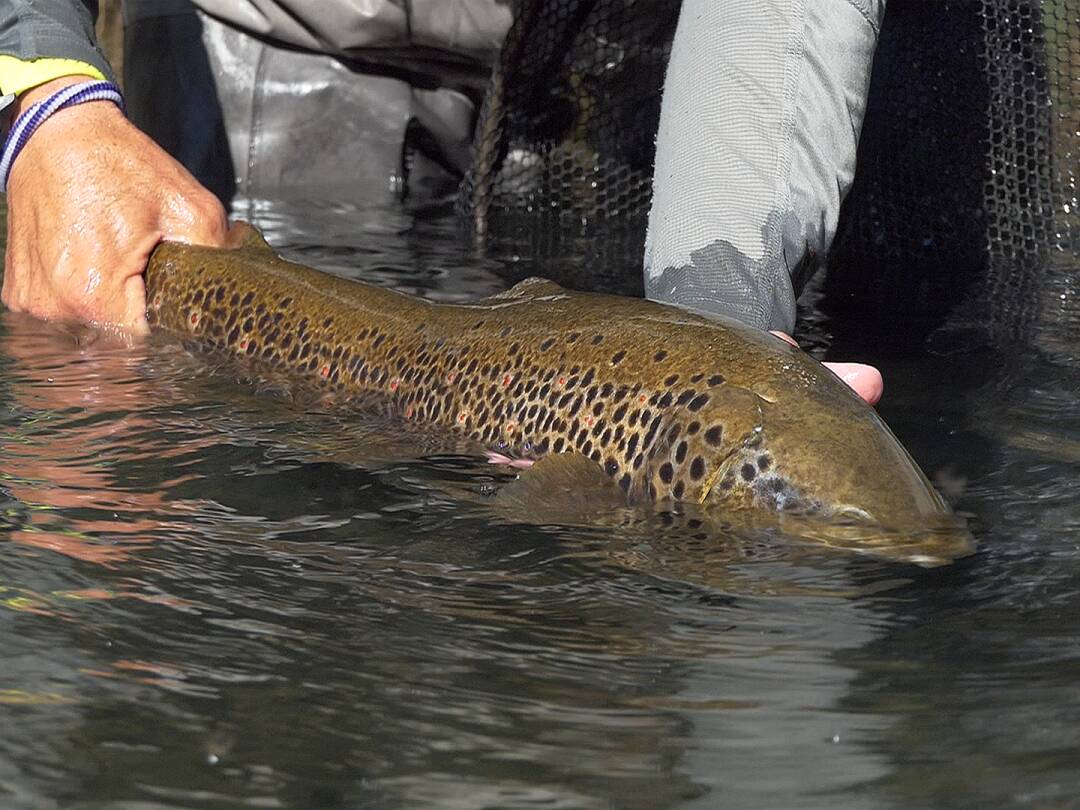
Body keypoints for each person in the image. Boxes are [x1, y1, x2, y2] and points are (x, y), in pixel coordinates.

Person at [0, 0, 883, 403]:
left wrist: (712, 333)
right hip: (273, 26)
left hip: (627, 41)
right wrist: (44, 92)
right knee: (113, 332)